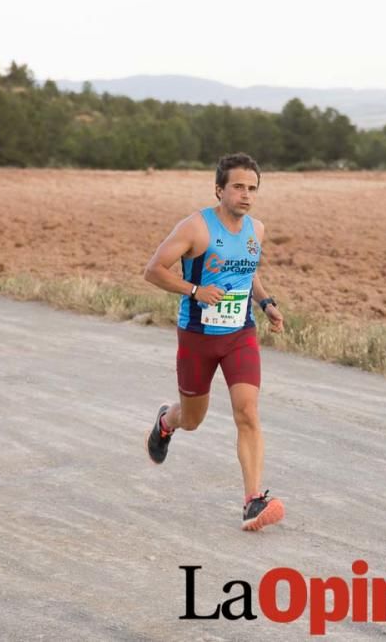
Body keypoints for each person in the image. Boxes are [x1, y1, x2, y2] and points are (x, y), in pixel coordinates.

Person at [143, 152, 286, 531]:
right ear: (219, 190)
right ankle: (165, 422)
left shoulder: (257, 229)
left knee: (247, 412)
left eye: (252, 188)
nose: (246, 195)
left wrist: (266, 303)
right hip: (197, 338)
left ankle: (253, 500)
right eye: (238, 187)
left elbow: (248, 273)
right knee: (192, 419)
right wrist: (194, 290)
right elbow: (153, 270)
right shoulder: (196, 228)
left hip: (240, 335)